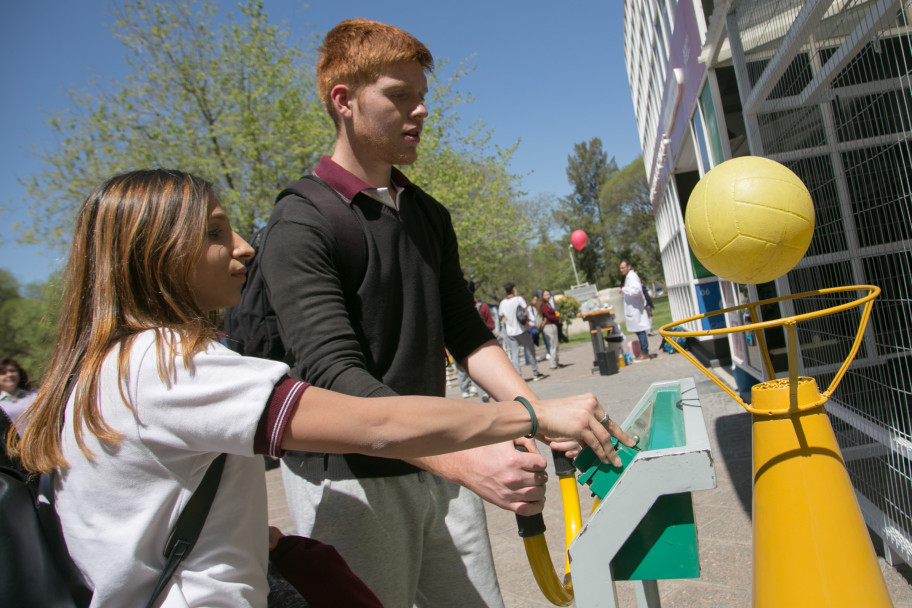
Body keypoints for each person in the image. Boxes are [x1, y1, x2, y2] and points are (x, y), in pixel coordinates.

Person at [5, 169, 630, 608]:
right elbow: (371, 423)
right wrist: (530, 415)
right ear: (157, 252)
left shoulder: (101, 368)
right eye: (216, 233)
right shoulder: (169, 363)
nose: (245, 248)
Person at [257, 19, 611, 606]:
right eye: (399, 96)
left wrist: (536, 413)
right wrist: (465, 460)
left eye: (422, 97)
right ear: (343, 101)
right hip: (349, 479)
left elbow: (467, 334)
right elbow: (332, 377)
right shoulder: (301, 221)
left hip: (438, 458)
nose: (420, 112)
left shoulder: (427, 213)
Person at [500, 282, 546, 381]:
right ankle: (535, 372)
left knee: (514, 354)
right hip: (521, 329)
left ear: (505, 291)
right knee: (530, 350)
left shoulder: (502, 303)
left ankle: (518, 376)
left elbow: (501, 316)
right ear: (513, 289)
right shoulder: (518, 299)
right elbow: (526, 311)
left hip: (510, 331)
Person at [619, 259, 653, 361]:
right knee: (638, 330)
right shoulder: (629, 277)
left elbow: (637, 290)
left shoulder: (633, 276)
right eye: (620, 268)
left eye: (623, 268)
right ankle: (643, 352)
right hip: (633, 308)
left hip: (636, 308)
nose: (621, 270)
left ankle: (645, 352)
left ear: (629, 267)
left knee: (640, 330)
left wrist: (624, 290)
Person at [0, 357, 37, 434]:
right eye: (3, 373)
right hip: (14, 445)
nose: (9, 374)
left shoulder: (36, 394)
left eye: (12, 371)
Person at [540, 290, 562, 369]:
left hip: (551, 325)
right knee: (553, 345)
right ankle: (553, 364)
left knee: (554, 344)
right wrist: (557, 319)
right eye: (545, 295)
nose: (547, 296)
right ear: (542, 296)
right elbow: (548, 316)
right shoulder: (544, 305)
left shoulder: (548, 304)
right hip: (549, 326)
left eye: (548, 294)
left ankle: (556, 362)